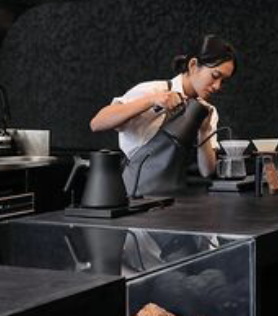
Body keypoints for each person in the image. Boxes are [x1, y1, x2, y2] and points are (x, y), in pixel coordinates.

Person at [90, 34, 237, 195]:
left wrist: (204, 131)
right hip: (135, 197)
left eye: (223, 81)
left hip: (177, 201)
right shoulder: (154, 91)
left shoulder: (208, 111)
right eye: (215, 76)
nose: (217, 86)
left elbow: (207, 171)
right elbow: (97, 123)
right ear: (193, 65)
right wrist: (152, 100)